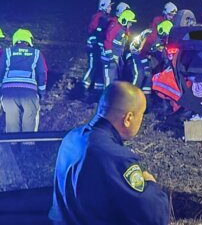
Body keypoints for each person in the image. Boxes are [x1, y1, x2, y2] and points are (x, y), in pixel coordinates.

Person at [49, 82, 170, 225]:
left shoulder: (72, 137)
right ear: (128, 118)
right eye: (141, 115)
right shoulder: (114, 156)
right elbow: (154, 216)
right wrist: (149, 183)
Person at [0, 28, 48, 133]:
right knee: (30, 117)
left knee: (11, 118)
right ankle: (28, 145)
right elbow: (41, 73)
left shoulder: (7, 52)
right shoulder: (37, 53)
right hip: (29, 92)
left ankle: (13, 144)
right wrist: (42, 92)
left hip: (8, 91)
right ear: (29, 40)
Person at [83, 0, 113, 92]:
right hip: (95, 46)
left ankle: (97, 90)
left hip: (98, 46)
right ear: (104, 6)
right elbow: (96, 33)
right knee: (93, 66)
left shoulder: (103, 17)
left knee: (99, 67)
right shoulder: (100, 17)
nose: (110, 8)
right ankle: (82, 87)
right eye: (109, 6)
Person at [104, 9, 137, 90]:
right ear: (125, 20)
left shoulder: (124, 30)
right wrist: (110, 56)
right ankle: (107, 98)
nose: (131, 24)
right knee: (109, 79)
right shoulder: (115, 27)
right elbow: (107, 41)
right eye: (130, 22)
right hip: (110, 57)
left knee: (115, 79)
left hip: (117, 57)